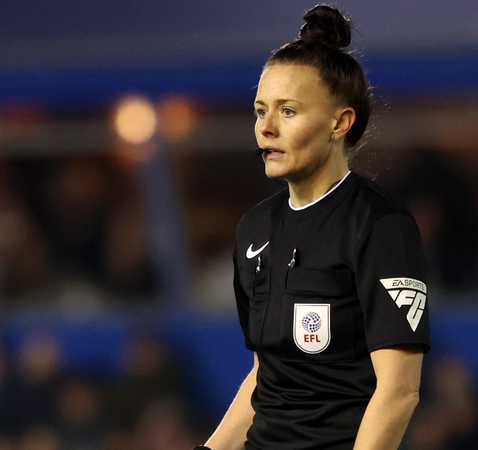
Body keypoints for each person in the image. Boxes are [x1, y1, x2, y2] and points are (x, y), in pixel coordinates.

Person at [196, 5, 431, 450]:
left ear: (340, 123)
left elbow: (399, 392)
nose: (265, 128)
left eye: (287, 112)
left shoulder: (380, 226)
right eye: (260, 110)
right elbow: (266, 375)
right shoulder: (255, 228)